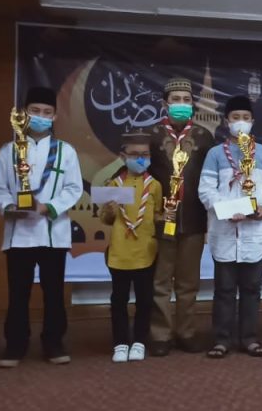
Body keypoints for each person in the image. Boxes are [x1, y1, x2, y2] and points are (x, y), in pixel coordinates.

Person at [0, 87, 83, 367]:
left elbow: (74, 188)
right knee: (18, 293)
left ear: (54, 116)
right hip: (19, 234)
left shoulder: (66, 152)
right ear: (24, 114)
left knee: (54, 293)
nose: (41, 116)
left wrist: (47, 207)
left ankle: (54, 342)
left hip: (53, 232)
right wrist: (8, 206)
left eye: (46, 112)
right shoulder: (9, 151)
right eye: (35, 111)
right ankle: (15, 344)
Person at [198, 96, 262, 359]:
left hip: (254, 233)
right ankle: (221, 339)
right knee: (224, 290)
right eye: (236, 118)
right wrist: (225, 210)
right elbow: (206, 190)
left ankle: (250, 338)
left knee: (252, 289)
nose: (241, 122)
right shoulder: (215, 154)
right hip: (224, 231)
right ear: (227, 121)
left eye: (246, 118)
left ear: (253, 121)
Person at [146, 77, 216, 356]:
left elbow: (211, 179)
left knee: (189, 283)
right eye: (176, 100)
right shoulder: (150, 135)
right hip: (161, 220)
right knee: (160, 282)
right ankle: (160, 334)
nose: (182, 104)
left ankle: (186, 332)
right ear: (165, 103)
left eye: (187, 100)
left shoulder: (204, 136)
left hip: (194, 220)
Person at [99, 132, 163, 363]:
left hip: (146, 251)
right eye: (135, 155)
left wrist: (166, 217)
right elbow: (105, 219)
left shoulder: (154, 185)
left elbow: (157, 214)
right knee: (119, 300)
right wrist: (110, 211)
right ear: (123, 156)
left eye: (145, 154)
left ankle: (139, 341)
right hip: (119, 253)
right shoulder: (114, 184)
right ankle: (120, 342)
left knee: (145, 300)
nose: (140, 159)